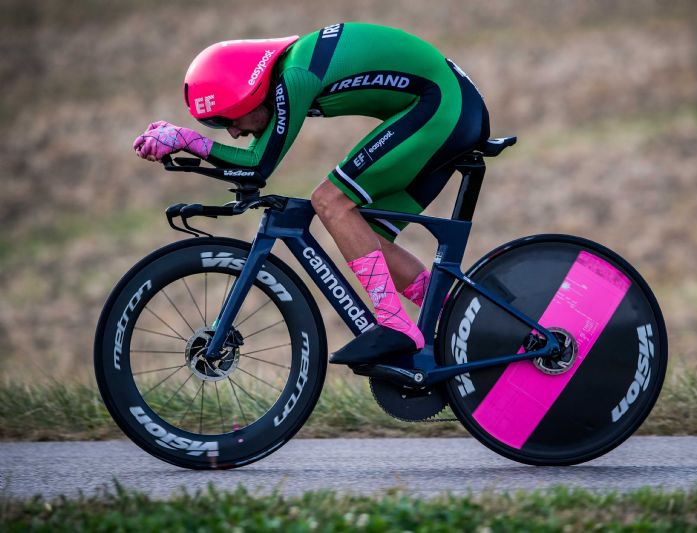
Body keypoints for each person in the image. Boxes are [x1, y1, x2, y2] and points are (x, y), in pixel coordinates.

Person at [134, 22, 490, 365]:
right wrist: (187, 149)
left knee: (330, 201)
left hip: (443, 107)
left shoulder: (295, 78)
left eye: (229, 119)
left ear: (250, 93)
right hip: (446, 108)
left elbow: (258, 166)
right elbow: (250, 164)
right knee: (365, 233)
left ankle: (395, 324)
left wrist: (187, 140)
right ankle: (463, 315)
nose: (233, 132)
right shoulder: (287, 76)